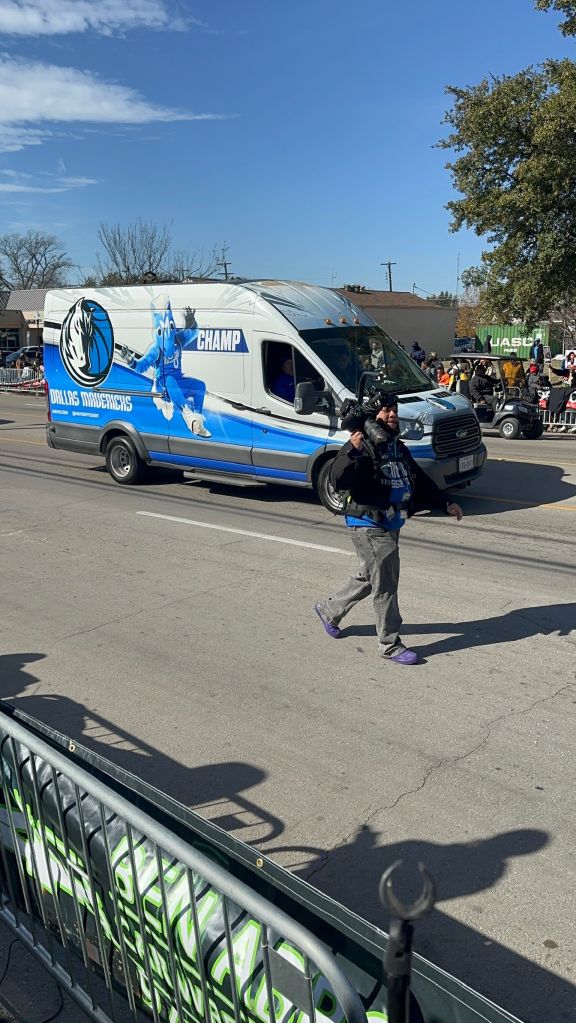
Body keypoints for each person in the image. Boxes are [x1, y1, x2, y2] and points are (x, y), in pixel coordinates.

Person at [314, 392, 463, 665]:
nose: (392, 414)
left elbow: (419, 479)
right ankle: (389, 644)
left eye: (394, 409)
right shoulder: (362, 444)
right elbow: (337, 478)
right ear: (374, 416)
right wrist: (352, 452)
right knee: (386, 584)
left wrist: (446, 502)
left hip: (390, 521)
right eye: (385, 410)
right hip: (368, 523)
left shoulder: (396, 447)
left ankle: (329, 610)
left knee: (370, 576)